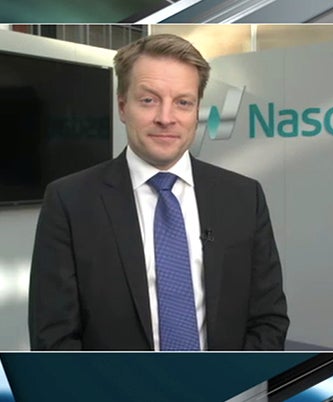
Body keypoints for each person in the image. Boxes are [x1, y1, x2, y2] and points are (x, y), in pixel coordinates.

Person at [28, 34, 289, 351]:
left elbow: (268, 320)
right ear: (123, 106)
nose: (166, 118)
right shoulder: (69, 201)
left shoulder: (244, 197)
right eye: (149, 100)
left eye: (183, 102)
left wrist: (234, 378)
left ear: (197, 110)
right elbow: (53, 338)